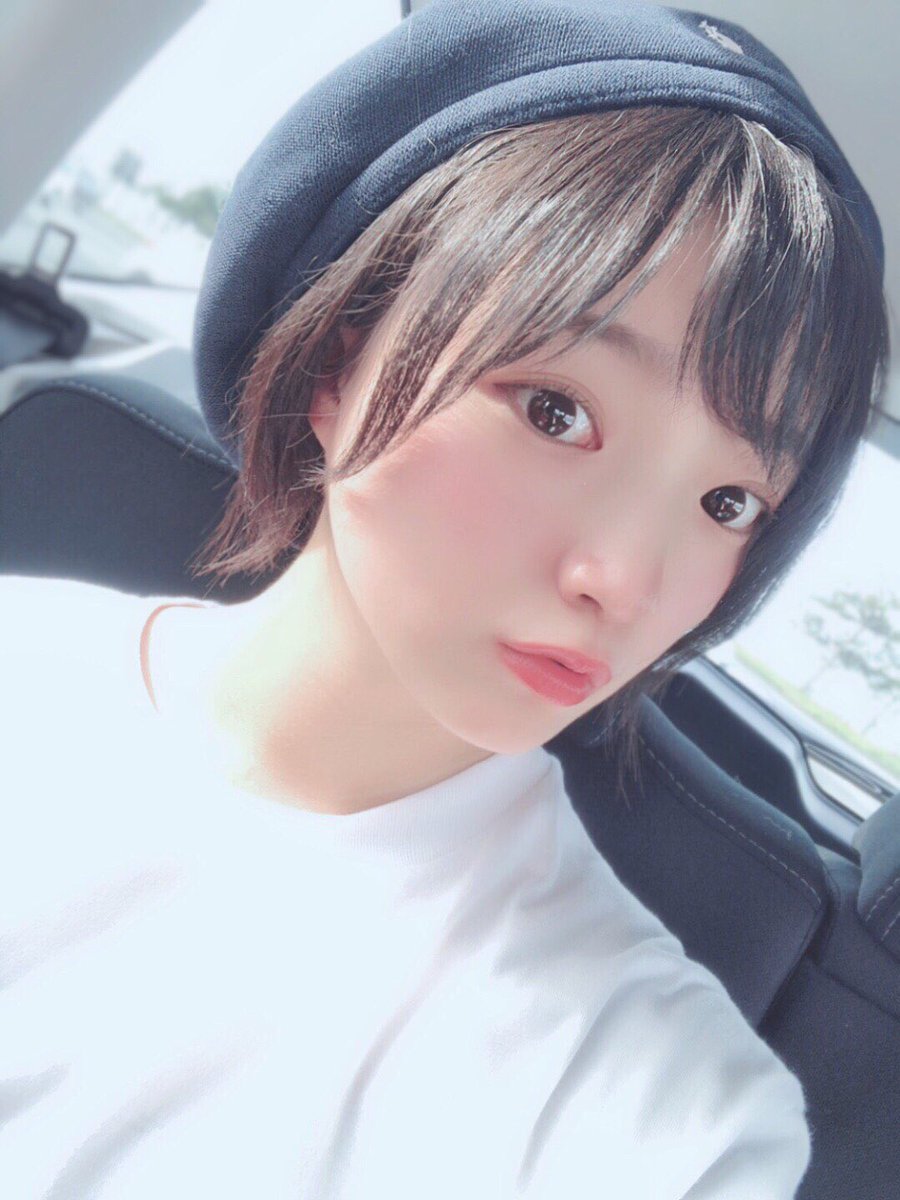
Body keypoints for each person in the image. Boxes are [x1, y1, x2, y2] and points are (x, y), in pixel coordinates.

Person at [0, 2, 888, 1197]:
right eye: (557, 412)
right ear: (336, 361)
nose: (624, 581)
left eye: (730, 503)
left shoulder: (660, 1109)